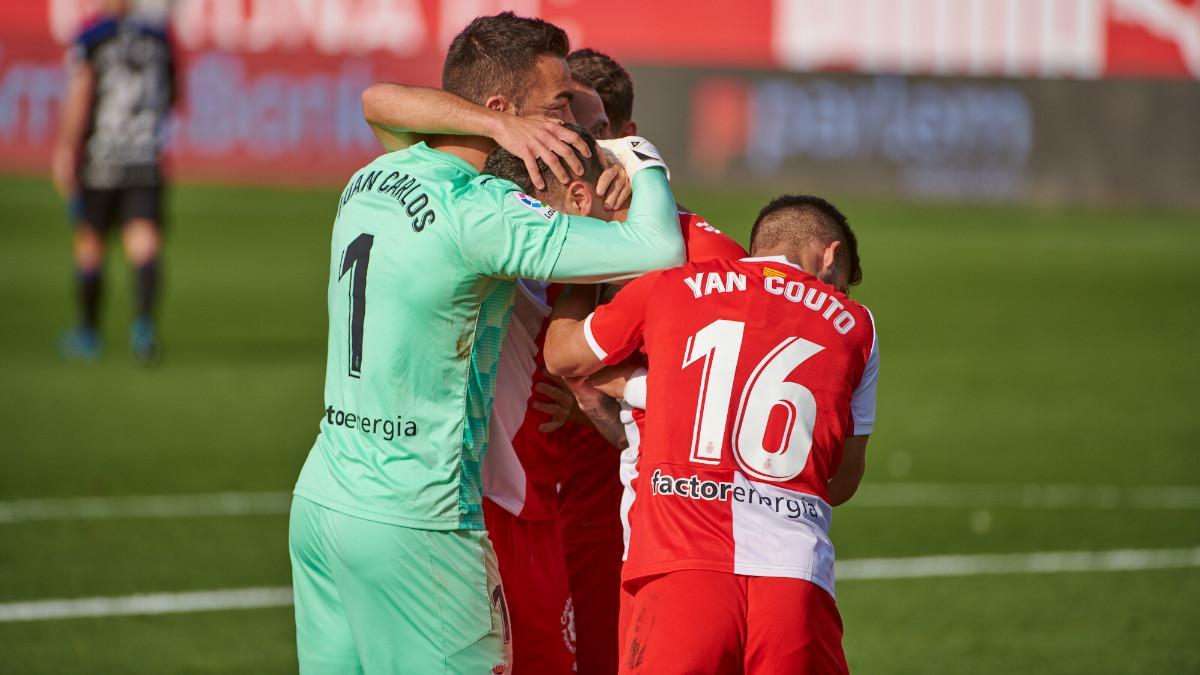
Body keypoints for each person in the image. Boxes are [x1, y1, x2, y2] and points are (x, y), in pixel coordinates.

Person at [288, 13, 684, 675]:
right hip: (421, 522)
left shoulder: (377, 174)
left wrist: (502, 124)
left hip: (324, 501)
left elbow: (381, 102)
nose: (575, 125)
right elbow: (659, 247)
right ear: (503, 111)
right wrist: (635, 155)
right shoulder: (486, 214)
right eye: (559, 107)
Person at [543, 195, 879, 675]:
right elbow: (842, 481)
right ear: (829, 256)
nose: (838, 294)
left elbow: (562, 356)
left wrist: (594, 264)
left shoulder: (671, 286)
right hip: (794, 583)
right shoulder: (857, 324)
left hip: (678, 571)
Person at [52, 0, 176, 363]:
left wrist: (66, 147)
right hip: (144, 157)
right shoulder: (157, 38)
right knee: (144, 241)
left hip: (101, 157)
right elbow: (171, 95)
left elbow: (81, 94)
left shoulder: (93, 38)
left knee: (90, 242)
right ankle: (143, 328)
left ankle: (88, 333)